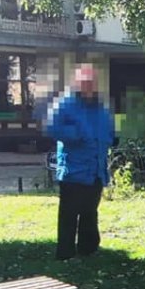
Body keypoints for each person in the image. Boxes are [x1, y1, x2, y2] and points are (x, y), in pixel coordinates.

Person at [44, 63, 114, 260]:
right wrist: (78, 134)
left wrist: (108, 139)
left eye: (92, 82)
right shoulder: (64, 104)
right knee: (69, 214)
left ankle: (88, 249)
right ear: (77, 82)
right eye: (85, 82)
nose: (89, 85)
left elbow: (108, 130)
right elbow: (52, 128)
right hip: (73, 170)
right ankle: (65, 253)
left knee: (90, 212)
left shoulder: (100, 107)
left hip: (96, 170)